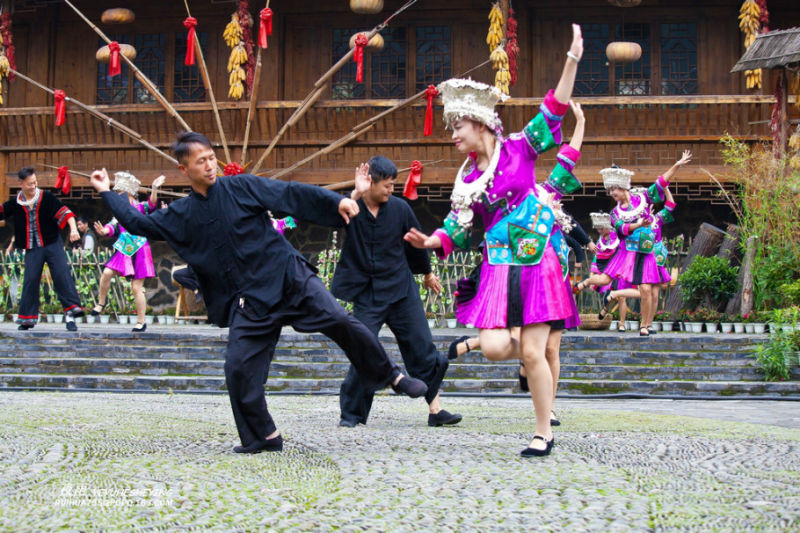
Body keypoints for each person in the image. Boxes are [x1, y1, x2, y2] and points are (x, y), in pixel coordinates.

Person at [88, 131, 428, 454]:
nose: (209, 165)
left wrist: (335, 202)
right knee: (237, 368)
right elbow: (140, 224)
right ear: (184, 168)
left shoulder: (241, 186)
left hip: (289, 277)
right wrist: (107, 192)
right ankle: (263, 435)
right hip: (252, 301)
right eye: (200, 161)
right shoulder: (183, 214)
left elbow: (288, 194)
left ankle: (393, 376)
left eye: (211, 158)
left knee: (341, 320)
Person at [404, 24, 585, 457]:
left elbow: (554, 109)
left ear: (480, 123)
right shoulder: (466, 178)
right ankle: (522, 354)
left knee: (537, 350)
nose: (453, 135)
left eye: (457, 125)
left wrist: (572, 60)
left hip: (536, 260)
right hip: (498, 266)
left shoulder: (520, 148)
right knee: (493, 346)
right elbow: (461, 225)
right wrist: (435, 241)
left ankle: (544, 430)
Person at [333, 156, 462, 428]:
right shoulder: (351, 208)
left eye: (394, 185)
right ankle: (352, 414)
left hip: (401, 290)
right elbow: (333, 218)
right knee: (363, 349)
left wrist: (426, 274)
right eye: (387, 185)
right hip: (367, 294)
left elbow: (415, 243)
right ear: (371, 182)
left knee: (421, 347)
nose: (391, 190)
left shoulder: (400, 209)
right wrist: (354, 193)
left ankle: (435, 410)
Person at [574, 152, 691, 336]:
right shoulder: (614, 213)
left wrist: (677, 164)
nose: (612, 193)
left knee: (646, 289)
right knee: (605, 280)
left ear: (624, 187)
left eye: (615, 189)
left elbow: (661, 182)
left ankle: (644, 326)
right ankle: (587, 281)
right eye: (610, 190)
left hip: (645, 252)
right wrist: (639, 224)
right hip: (626, 251)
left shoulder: (644, 199)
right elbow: (622, 229)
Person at [0, 166, 84, 330]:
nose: (33, 186)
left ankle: (71, 313)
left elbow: (66, 213)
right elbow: (2, 212)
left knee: (61, 275)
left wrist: (73, 230)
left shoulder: (47, 197)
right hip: (33, 248)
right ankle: (26, 319)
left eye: (35, 183)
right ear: (21, 184)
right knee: (30, 280)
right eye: (29, 184)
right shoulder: (16, 203)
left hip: (52, 244)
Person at [90, 173, 164, 332]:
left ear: (128, 192)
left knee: (137, 287)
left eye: (119, 192)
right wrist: (104, 231)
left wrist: (155, 189)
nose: (117, 195)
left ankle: (141, 321)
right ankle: (101, 303)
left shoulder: (141, 207)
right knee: (107, 273)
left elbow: (152, 204)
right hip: (124, 247)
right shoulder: (119, 211)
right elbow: (112, 226)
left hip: (140, 247)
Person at [604, 186, 678, 333]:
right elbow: (626, 232)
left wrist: (666, 188)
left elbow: (670, 205)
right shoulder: (633, 220)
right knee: (645, 290)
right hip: (644, 257)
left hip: (657, 258)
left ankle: (649, 324)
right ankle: (643, 323)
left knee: (655, 294)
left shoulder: (658, 219)